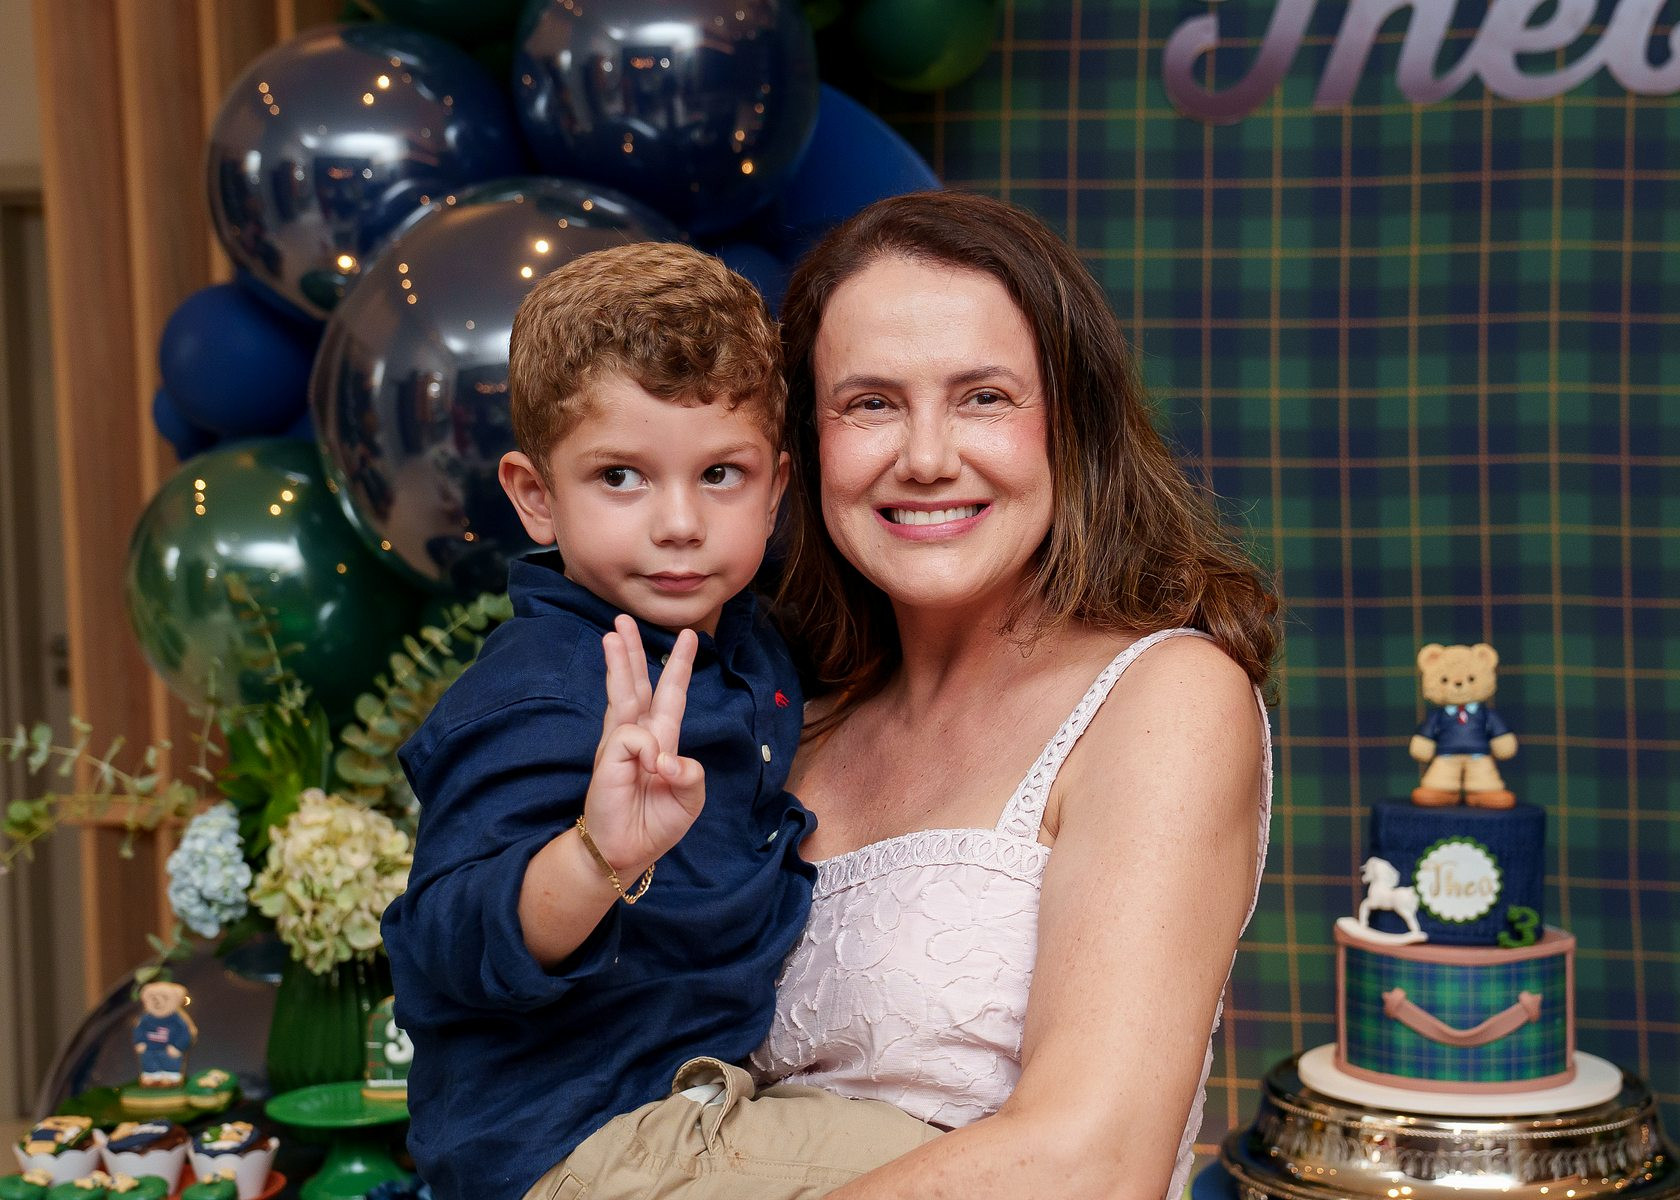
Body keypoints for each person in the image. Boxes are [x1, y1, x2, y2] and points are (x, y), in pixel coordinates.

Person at [750, 190, 1280, 1200]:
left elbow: (1093, 1160)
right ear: (809, 445)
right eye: (871, 404)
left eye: (984, 397)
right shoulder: (788, 718)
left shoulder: (1162, 698)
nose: (926, 457)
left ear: (1070, 425)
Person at [380, 241, 936, 1200]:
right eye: (620, 478)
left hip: (700, 1108)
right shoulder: (545, 692)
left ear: (777, 488)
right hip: (573, 1144)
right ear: (537, 497)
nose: (679, 522)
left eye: (720, 474)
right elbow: (442, 940)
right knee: (985, 1170)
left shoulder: (749, 642)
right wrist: (594, 856)